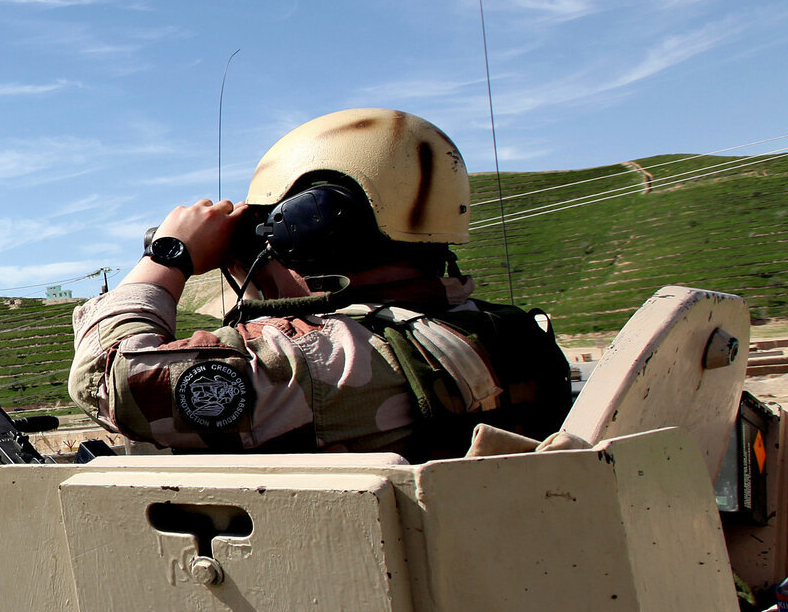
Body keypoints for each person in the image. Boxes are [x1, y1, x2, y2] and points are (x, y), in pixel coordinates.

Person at [68, 108, 572, 459]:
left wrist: (169, 254)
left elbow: (110, 378)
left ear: (305, 232)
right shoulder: (507, 334)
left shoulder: (321, 362)